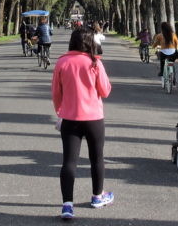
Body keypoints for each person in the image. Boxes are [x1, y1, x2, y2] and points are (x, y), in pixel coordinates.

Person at [52, 27, 114, 220]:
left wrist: (60, 111)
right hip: (94, 118)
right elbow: (105, 91)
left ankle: (67, 205)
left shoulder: (62, 62)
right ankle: (97, 196)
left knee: (69, 161)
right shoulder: (94, 62)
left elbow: (56, 94)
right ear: (90, 43)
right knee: (97, 158)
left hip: (70, 118)